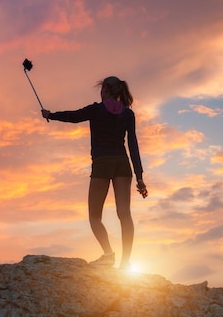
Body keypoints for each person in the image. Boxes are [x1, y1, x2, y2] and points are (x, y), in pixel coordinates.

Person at [41, 76, 147, 270]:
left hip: (102, 164)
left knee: (94, 216)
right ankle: (125, 262)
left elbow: (73, 116)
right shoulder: (128, 114)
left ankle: (108, 254)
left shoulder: (96, 110)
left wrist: (51, 114)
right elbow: (133, 145)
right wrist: (139, 177)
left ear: (105, 88)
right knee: (125, 214)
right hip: (123, 165)